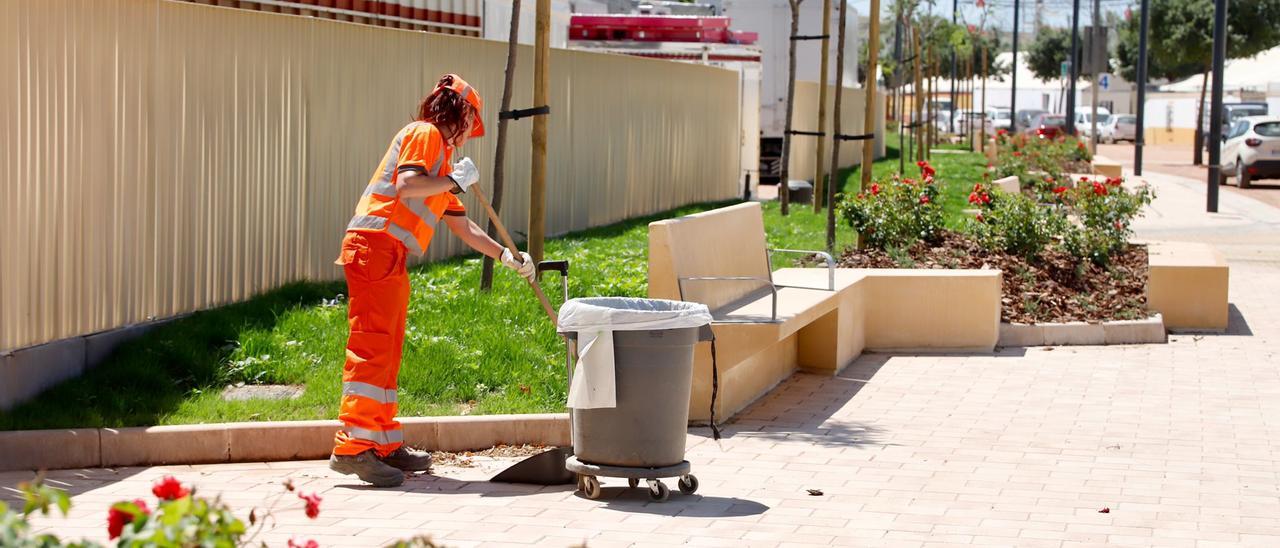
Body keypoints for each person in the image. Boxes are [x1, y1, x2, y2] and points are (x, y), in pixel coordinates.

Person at [329, 74, 535, 487]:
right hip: (374, 247)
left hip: (387, 253)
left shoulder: (441, 164)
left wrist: (507, 256)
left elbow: (463, 227)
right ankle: (352, 447)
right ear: (457, 113)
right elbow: (407, 186)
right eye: (468, 125)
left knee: (386, 348)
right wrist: (454, 180)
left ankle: (382, 443)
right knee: (372, 347)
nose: (466, 136)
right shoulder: (425, 134)